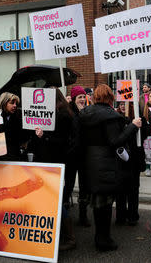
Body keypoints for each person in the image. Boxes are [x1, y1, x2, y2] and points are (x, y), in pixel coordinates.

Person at [73, 84, 142, 251]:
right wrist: (133, 126)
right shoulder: (110, 116)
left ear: (94, 97)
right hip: (106, 164)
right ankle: (103, 240)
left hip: (89, 163)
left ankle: (100, 237)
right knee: (105, 205)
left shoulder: (84, 114)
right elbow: (115, 141)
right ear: (110, 97)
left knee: (98, 204)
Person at [30, 89, 75, 250]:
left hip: (54, 162)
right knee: (53, 199)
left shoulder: (62, 116)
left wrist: (44, 136)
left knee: (55, 199)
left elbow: (62, 141)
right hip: (51, 162)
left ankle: (68, 238)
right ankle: (61, 235)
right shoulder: (57, 114)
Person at [115, 102, 146, 226]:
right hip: (121, 159)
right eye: (121, 104)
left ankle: (133, 215)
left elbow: (145, 134)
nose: (123, 106)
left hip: (135, 158)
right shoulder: (116, 118)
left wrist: (140, 126)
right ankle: (120, 215)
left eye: (126, 104)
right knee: (120, 190)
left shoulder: (140, 119)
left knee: (133, 190)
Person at [64, 86, 91, 227]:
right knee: (68, 185)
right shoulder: (68, 114)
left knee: (84, 187)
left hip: (85, 156)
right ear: (73, 99)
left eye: (83, 97)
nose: (81, 99)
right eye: (79, 97)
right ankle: (65, 217)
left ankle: (83, 216)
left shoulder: (88, 112)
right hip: (71, 156)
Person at [0, 92, 24, 160]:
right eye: (12, 103)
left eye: (16, 103)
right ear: (4, 103)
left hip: (14, 156)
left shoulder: (19, 117)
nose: (15, 106)